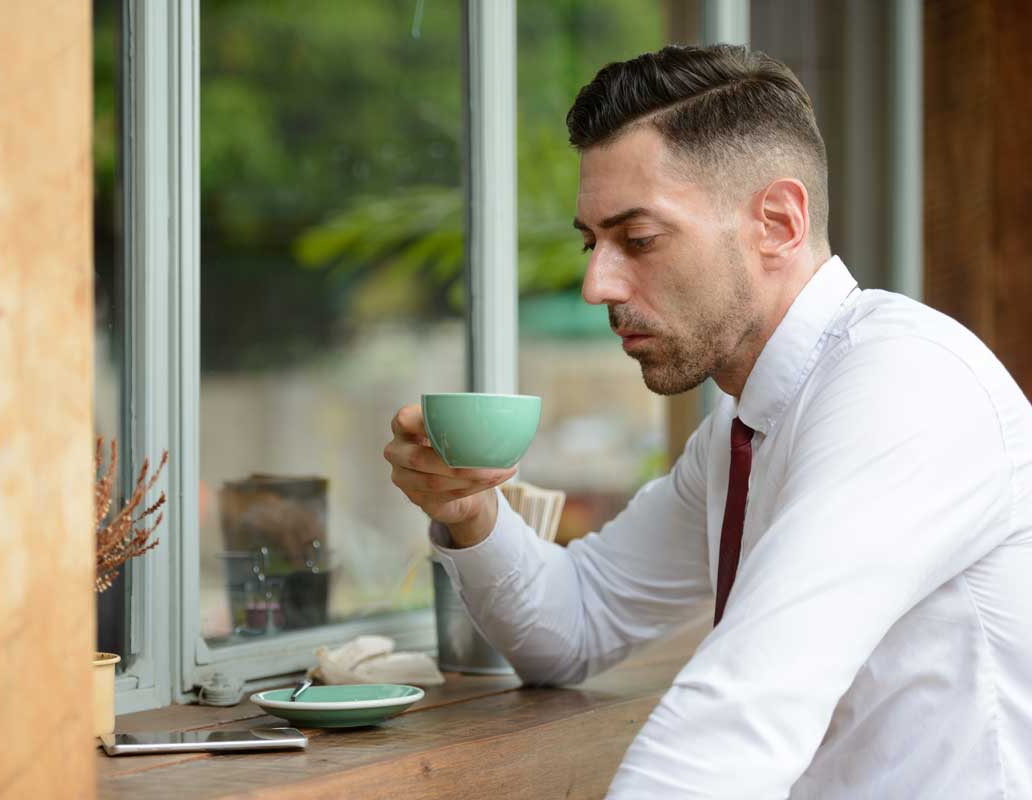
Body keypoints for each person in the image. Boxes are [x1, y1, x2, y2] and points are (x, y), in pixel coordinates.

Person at [383, 44, 1032, 798]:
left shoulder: (906, 388)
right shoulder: (742, 431)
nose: (597, 283)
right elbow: (574, 626)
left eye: (639, 240)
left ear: (778, 222)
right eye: (591, 242)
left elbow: (744, 708)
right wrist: (470, 512)